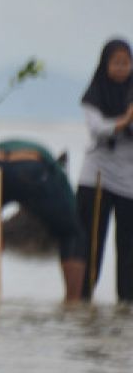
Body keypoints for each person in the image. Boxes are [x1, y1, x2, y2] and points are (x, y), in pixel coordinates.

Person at [0, 139, 86, 303]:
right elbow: (71, 221)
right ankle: (72, 300)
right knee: (72, 234)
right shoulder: (57, 174)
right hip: (32, 166)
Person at [75, 38, 133, 302]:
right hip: (96, 177)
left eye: (126, 62)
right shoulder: (94, 93)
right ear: (105, 64)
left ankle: (126, 306)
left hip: (129, 178)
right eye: (116, 62)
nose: (121, 68)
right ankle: (84, 301)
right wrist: (124, 121)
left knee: (128, 248)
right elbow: (97, 128)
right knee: (91, 243)